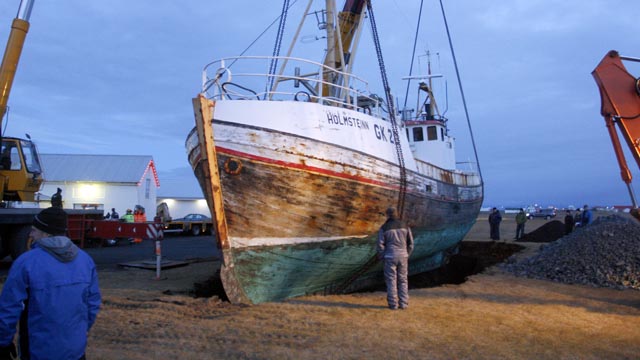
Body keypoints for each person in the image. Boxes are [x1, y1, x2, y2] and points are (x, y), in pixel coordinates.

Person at [0, 207, 101, 359]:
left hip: (38, 350)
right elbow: (92, 303)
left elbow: (9, 307)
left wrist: (3, 342)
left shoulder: (26, 263)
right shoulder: (85, 260)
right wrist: (78, 331)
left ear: (45, 233)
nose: (30, 234)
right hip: (75, 350)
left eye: (34, 230)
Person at [377, 207, 414, 310]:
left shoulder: (384, 228)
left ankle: (393, 305)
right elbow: (411, 243)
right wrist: (407, 254)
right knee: (403, 280)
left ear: (387, 215)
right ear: (397, 214)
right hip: (403, 256)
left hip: (390, 256)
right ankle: (404, 304)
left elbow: (380, 245)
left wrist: (382, 256)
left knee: (391, 280)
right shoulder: (405, 226)